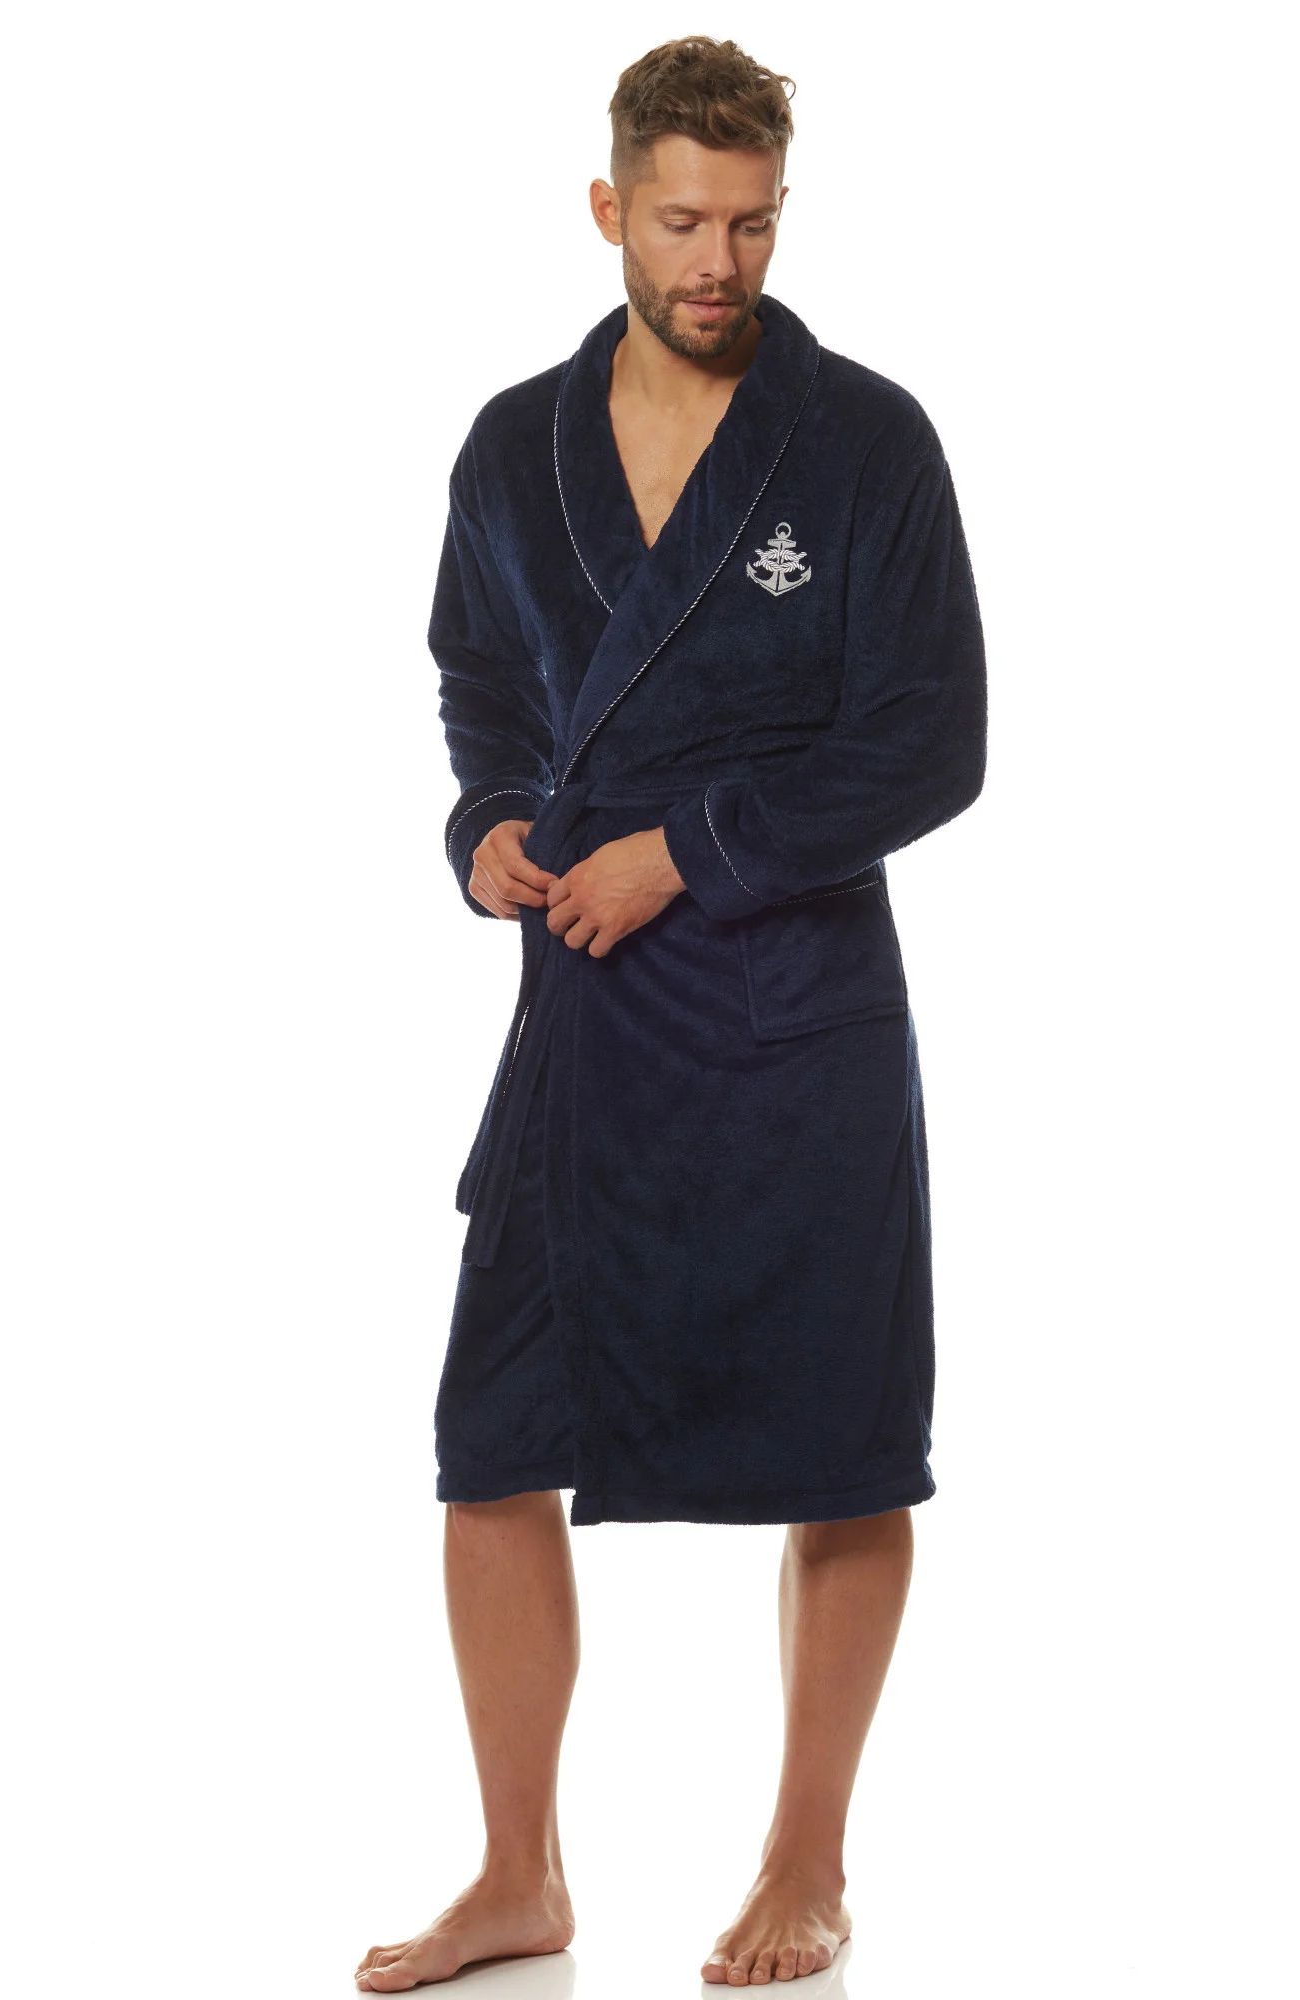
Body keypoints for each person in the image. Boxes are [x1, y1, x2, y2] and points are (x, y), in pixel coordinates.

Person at [356, 34, 987, 1993]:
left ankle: (809, 1863)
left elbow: (933, 741)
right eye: (688, 222)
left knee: (848, 1445)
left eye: (756, 225)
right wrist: (491, 821)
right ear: (610, 207)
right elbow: (478, 677)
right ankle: (518, 1873)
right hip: (586, 1016)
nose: (722, 263)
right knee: (487, 1441)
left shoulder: (864, 444)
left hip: (796, 1014)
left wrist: (688, 852)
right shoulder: (511, 448)